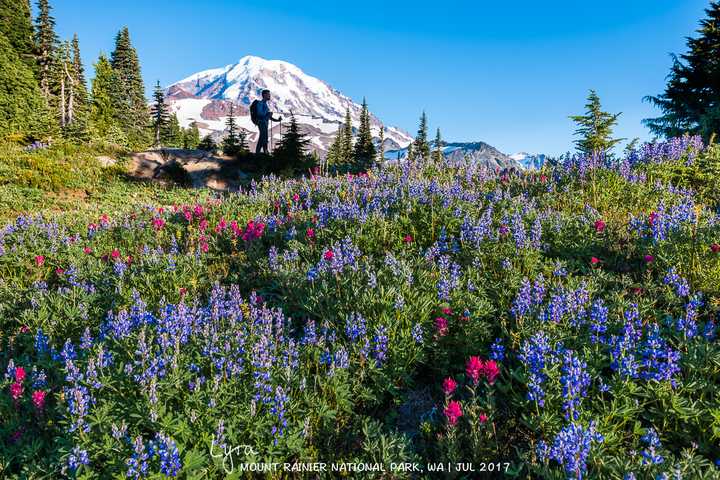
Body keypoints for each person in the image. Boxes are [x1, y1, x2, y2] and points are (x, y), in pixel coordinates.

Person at [255, 89, 282, 154]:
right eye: (268, 94)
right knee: (262, 138)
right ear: (264, 95)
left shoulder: (265, 104)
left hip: (264, 124)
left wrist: (277, 120)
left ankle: (264, 152)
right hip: (261, 123)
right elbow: (260, 114)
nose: (269, 96)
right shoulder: (260, 103)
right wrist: (268, 114)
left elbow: (268, 116)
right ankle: (258, 153)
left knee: (264, 139)